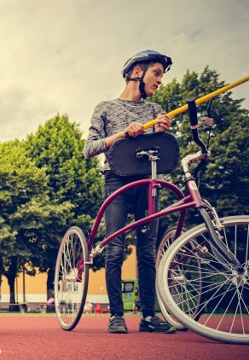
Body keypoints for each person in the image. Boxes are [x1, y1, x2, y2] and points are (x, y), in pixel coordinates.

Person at [83, 50, 176, 334]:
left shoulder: (154, 110)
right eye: (156, 73)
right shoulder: (105, 108)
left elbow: (164, 152)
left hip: (149, 182)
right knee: (116, 248)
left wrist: (160, 131)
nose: (160, 80)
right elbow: (89, 149)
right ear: (137, 71)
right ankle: (116, 316)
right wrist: (123, 134)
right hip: (117, 181)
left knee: (147, 253)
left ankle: (149, 316)